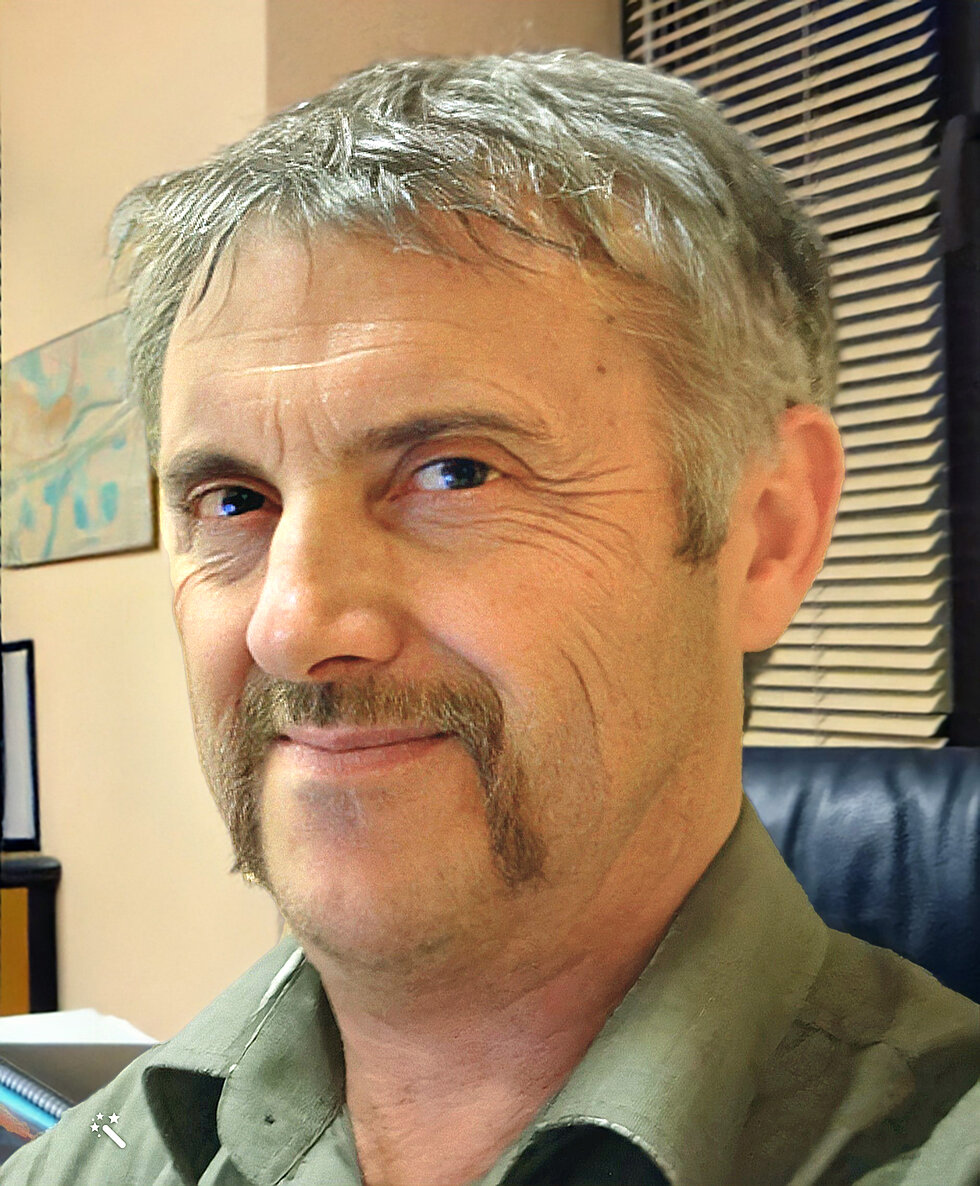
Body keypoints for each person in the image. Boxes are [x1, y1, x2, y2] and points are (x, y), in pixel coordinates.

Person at [2, 49, 977, 1186]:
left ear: (766, 533)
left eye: (455, 472)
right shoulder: (85, 1161)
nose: (290, 626)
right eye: (233, 500)